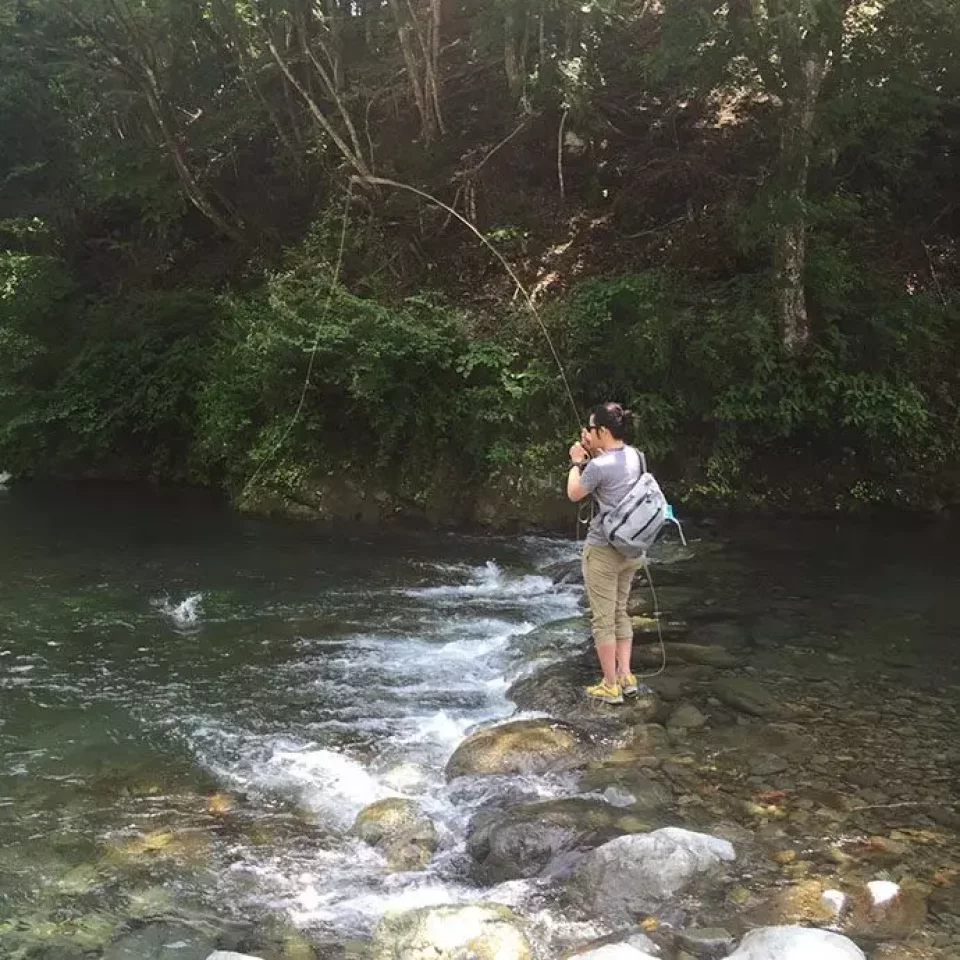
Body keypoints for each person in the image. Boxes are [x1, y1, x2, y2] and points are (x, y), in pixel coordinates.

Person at [566, 402, 643, 704]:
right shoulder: (635, 456)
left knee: (602, 619)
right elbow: (613, 472)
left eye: (591, 428)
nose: (587, 432)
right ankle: (626, 676)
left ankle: (610, 685)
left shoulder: (597, 466)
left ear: (602, 430)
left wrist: (576, 461)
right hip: (632, 547)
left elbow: (574, 493)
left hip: (603, 551)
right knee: (620, 611)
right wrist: (594, 451)